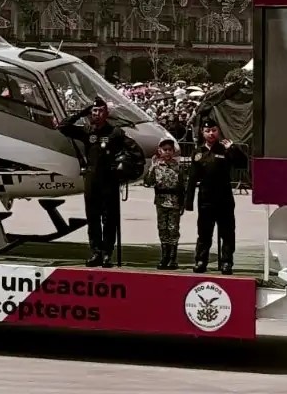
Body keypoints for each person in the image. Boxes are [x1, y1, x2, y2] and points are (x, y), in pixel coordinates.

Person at [57, 96, 146, 267]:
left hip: (110, 179)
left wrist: (129, 170)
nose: (96, 114)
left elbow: (135, 151)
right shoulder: (87, 131)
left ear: (106, 113)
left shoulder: (115, 133)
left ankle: (107, 253)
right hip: (91, 178)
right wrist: (82, 112)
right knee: (93, 218)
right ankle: (96, 252)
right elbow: (63, 126)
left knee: (109, 219)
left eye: (100, 110)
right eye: (94, 111)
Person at [184, 116, 248, 274]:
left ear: (218, 131)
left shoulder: (225, 149)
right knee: (204, 232)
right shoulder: (198, 152)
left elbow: (243, 164)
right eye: (207, 131)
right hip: (206, 198)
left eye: (213, 130)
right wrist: (188, 201)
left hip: (224, 197)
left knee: (227, 232)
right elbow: (192, 178)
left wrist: (233, 149)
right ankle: (201, 260)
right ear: (202, 132)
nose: (211, 133)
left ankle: (226, 262)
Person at [143, 136, 185, 270]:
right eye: (165, 149)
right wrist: (152, 167)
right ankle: (164, 256)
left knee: (173, 229)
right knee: (162, 229)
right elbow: (148, 182)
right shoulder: (156, 166)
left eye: (170, 150)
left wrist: (183, 203)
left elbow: (183, 186)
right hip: (161, 202)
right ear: (159, 151)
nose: (167, 152)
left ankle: (173, 258)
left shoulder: (178, 167)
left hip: (174, 202)